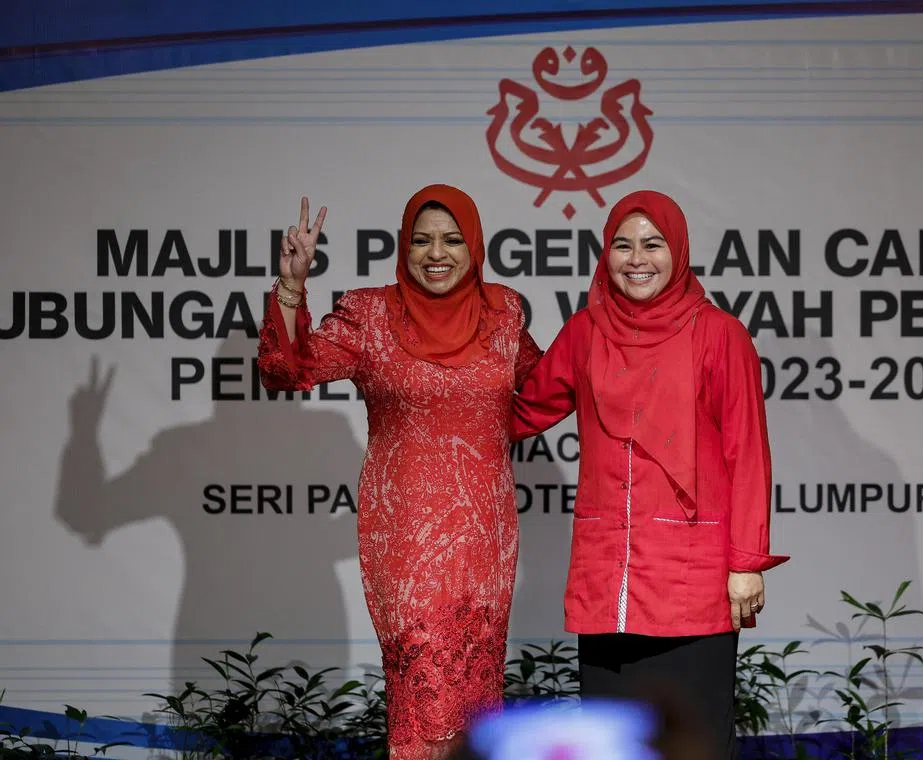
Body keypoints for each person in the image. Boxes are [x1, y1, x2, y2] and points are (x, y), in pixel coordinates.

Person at [257, 185, 543, 760]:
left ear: (474, 246)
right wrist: (292, 284)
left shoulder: (504, 310)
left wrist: (618, 342)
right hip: (408, 539)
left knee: (476, 698)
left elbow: (545, 388)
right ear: (403, 247)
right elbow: (285, 370)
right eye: (421, 240)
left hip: (485, 539)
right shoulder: (369, 314)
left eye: (452, 239)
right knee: (426, 695)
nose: (436, 252)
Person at [509, 190, 789, 759]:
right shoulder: (586, 332)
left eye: (653, 244)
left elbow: (748, 456)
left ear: (679, 251)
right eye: (622, 245)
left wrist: (746, 564)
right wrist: (445, 374)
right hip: (608, 574)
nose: (637, 259)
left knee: (695, 744)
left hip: (694, 578)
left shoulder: (719, 335)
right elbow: (521, 412)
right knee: (612, 746)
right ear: (604, 254)